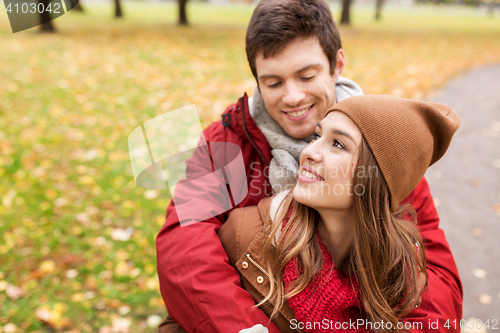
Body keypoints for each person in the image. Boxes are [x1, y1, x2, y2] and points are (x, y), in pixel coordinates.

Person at [156, 0, 463, 332]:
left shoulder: (384, 146)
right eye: (273, 83)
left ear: (337, 65)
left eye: (306, 76)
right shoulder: (226, 141)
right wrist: (244, 327)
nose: (292, 97)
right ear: (257, 80)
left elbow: (434, 268)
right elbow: (184, 244)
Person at [215, 94, 460, 333]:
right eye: (317, 136)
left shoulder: (403, 274)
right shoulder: (249, 236)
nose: (309, 152)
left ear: (376, 179)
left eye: (338, 144)